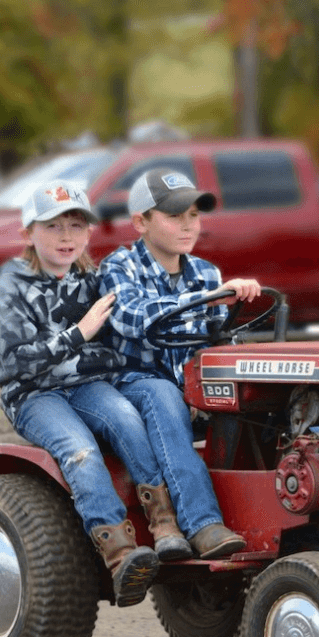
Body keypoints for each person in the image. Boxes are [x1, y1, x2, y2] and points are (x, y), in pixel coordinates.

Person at [0, 180, 192, 608]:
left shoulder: (91, 279)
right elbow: (13, 364)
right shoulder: (11, 284)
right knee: (79, 449)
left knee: (126, 419)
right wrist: (78, 334)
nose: (66, 237)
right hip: (34, 395)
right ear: (28, 232)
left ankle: (165, 524)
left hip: (85, 384)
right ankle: (120, 554)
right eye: (53, 226)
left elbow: (139, 313)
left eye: (76, 226)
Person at [97, 167, 261, 560]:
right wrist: (207, 302)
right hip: (133, 387)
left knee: (261, 399)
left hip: (190, 387)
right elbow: (132, 317)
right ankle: (202, 522)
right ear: (141, 222)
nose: (188, 226)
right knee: (162, 394)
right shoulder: (120, 267)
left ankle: (274, 511)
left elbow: (219, 337)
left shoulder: (206, 273)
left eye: (193, 215)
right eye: (174, 217)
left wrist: (234, 310)